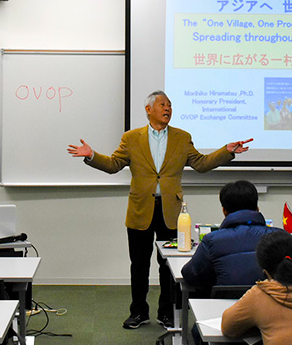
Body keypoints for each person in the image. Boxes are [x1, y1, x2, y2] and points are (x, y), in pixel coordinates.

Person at [68, 90, 251, 329]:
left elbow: (201, 164)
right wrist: (92, 155)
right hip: (140, 209)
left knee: (169, 265)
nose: (167, 108)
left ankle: (166, 312)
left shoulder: (182, 137)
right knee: (139, 264)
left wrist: (226, 151)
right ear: (149, 109)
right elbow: (113, 165)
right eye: (163, 104)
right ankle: (138, 312)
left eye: (170, 105)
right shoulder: (131, 138)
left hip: (171, 211)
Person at [181, 180, 281, 297]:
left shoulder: (212, 240)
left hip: (226, 306)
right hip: (272, 304)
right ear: (257, 208)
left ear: (224, 211)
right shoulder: (280, 237)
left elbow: (190, 274)